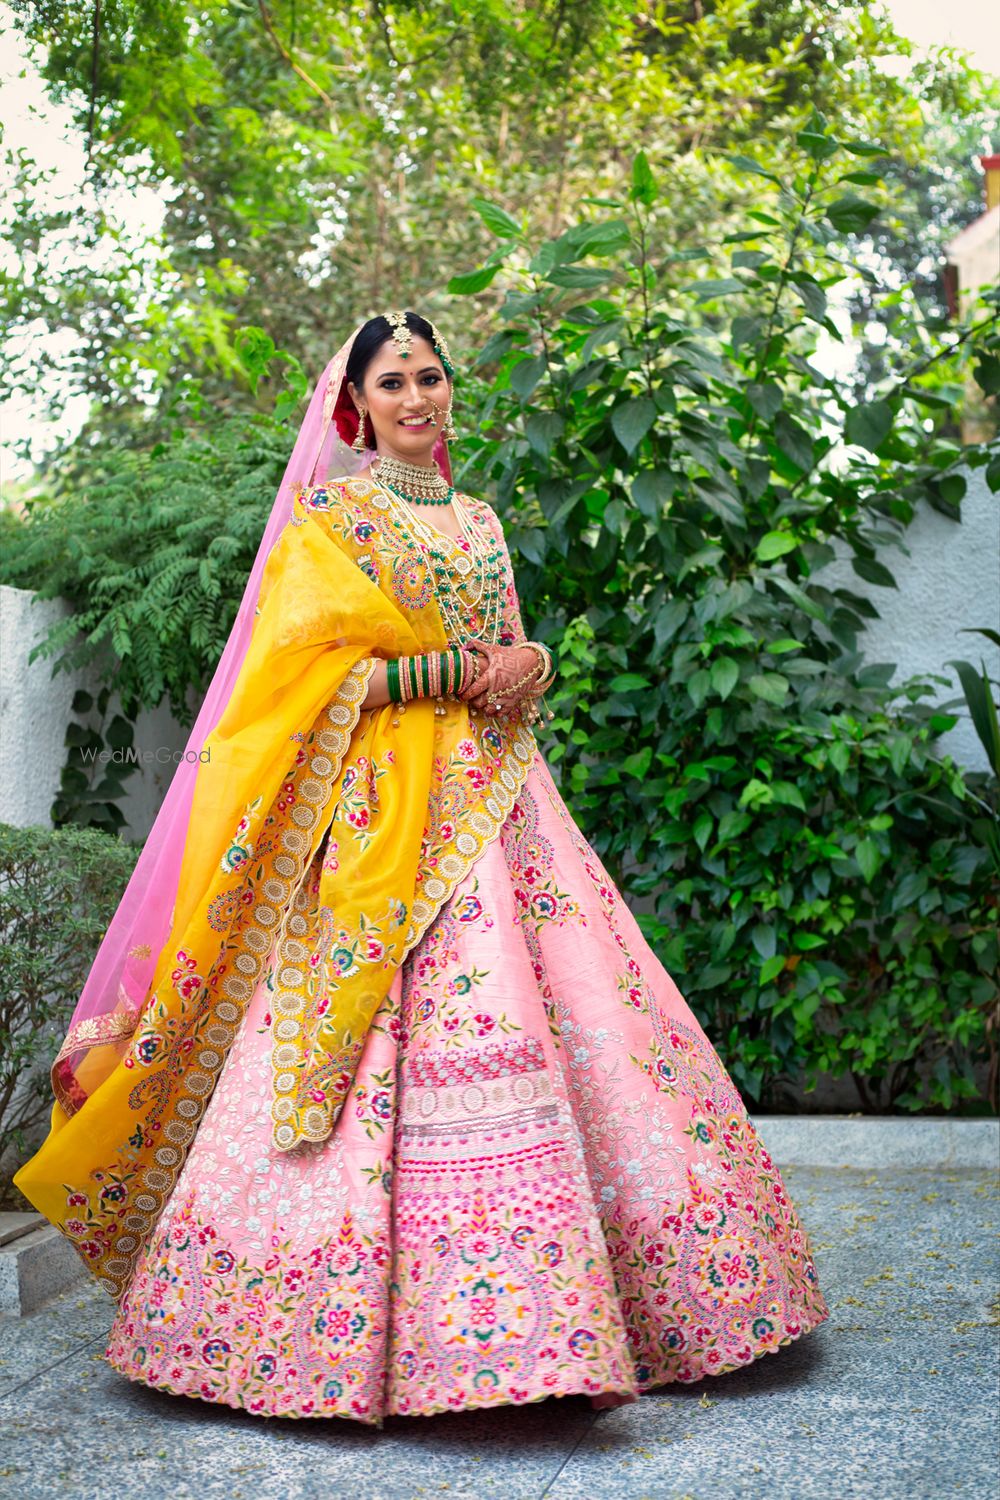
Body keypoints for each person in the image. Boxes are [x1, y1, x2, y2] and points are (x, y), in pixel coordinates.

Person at [15, 311, 830, 1425]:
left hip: (501, 803)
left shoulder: (480, 519)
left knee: (583, 1012)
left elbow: (505, 646)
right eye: (393, 380)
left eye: (432, 377)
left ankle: (623, 1307)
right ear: (355, 402)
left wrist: (527, 661)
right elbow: (295, 681)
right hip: (373, 822)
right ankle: (303, 1324)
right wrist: (446, 670)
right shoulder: (328, 519)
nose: (417, 398)